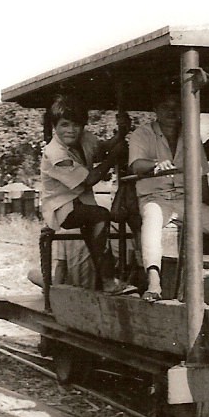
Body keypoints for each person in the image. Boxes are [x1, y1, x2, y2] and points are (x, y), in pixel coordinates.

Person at [129, 91, 209, 302]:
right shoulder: (142, 133)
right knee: (152, 220)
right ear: (156, 109)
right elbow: (136, 165)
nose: (171, 111)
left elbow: (201, 174)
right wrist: (155, 164)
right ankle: (154, 281)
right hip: (155, 198)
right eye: (165, 106)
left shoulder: (191, 136)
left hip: (185, 201)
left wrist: (205, 206)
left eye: (176, 106)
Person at [39, 95, 137, 295]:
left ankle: (106, 281)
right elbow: (89, 180)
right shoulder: (54, 152)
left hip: (82, 203)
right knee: (100, 215)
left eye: (76, 125)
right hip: (61, 208)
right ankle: (108, 281)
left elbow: (101, 150)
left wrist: (121, 134)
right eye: (65, 125)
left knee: (97, 227)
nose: (71, 130)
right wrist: (112, 159)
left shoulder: (85, 138)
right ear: (55, 126)